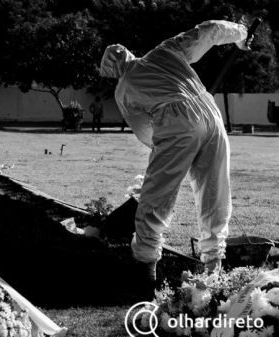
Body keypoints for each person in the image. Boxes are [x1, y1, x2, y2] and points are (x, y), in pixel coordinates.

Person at [100, 20, 253, 281]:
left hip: (175, 123)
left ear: (112, 71)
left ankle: (146, 265)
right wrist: (241, 34)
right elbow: (209, 30)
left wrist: (170, 152)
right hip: (210, 112)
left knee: (157, 193)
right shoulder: (164, 50)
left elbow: (145, 131)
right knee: (214, 189)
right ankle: (213, 263)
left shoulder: (124, 88)